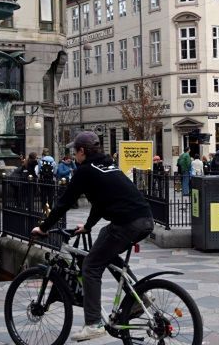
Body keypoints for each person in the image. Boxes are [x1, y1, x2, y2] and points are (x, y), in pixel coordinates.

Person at [31, 132, 153, 342]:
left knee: (90, 265)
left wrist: (43, 227)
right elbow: (100, 202)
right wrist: (87, 226)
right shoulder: (108, 166)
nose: (74, 155)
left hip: (127, 223)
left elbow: (64, 202)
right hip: (144, 219)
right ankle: (140, 294)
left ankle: (94, 323)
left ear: (82, 151)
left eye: (74, 151)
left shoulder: (85, 171)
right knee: (105, 247)